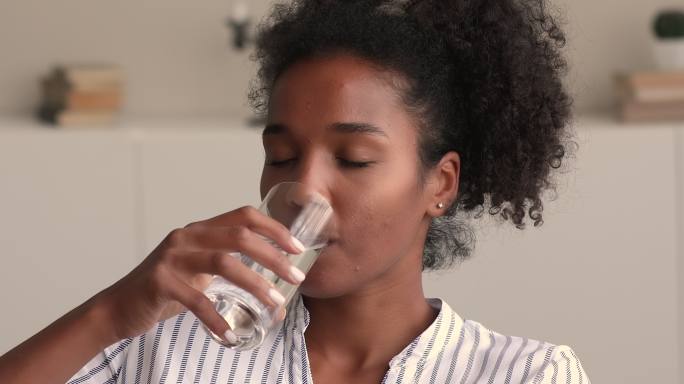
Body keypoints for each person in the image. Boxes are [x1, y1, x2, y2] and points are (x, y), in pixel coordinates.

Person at [0, 0, 591, 382]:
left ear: (439, 183)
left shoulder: (524, 374)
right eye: (280, 156)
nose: (303, 187)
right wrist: (112, 311)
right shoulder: (168, 348)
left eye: (354, 159)